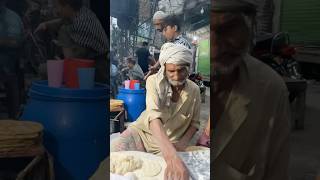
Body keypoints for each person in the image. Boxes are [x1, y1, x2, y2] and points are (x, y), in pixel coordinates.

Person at [91, 43, 200, 180]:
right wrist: (171, 155)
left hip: (171, 143)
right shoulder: (153, 82)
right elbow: (154, 118)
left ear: (189, 68)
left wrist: (181, 145)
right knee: (110, 160)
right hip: (142, 134)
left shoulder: (194, 90)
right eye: (171, 71)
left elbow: (195, 124)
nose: (176, 76)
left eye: (181, 70)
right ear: (164, 69)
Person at [211, 1, 291, 179]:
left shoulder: (271, 89)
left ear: (250, 26)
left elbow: (276, 172)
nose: (214, 49)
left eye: (229, 28)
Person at [34, 0, 108, 83]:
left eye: (57, 7)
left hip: (98, 68)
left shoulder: (80, 24)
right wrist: (46, 24)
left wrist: (61, 60)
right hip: (92, 62)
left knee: (44, 70)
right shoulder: (82, 12)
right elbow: (63, 20)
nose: (56, 11)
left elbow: (73, 59)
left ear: (67, 7)